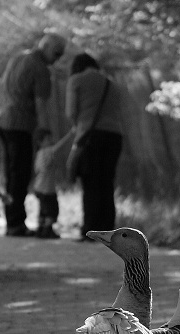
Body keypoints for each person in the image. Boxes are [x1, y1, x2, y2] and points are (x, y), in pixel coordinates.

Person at [0, 33, 66, 237]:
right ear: (46, 46)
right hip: (19, 123)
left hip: (2, 120)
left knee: (11, 173)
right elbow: (41, 105)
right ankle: (16, 224)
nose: (58, 58)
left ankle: (13, 221)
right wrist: (45, 132)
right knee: (20, 174)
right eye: (57, 53)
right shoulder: (40, 69)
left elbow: (0, 87)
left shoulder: (18, 58)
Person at [65, 52, 124, 240]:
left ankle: (91, 229)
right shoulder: (111, 83)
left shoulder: (76, 80)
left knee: (91, 183)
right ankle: (108, 229)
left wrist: (79, 126)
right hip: (114, 135)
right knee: (106, 182)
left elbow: (71, 112)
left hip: (91, 136)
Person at [32, 130, 74, 238]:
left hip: (39, 187)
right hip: (47, 189)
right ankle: (47, 230)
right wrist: (70, 134)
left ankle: (40, 228)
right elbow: (59, 146)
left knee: (43, 209)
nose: (51, 141)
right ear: (40, 142)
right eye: (48, 139)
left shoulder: (38, 154)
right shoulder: (46, 152)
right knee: (52, 210)